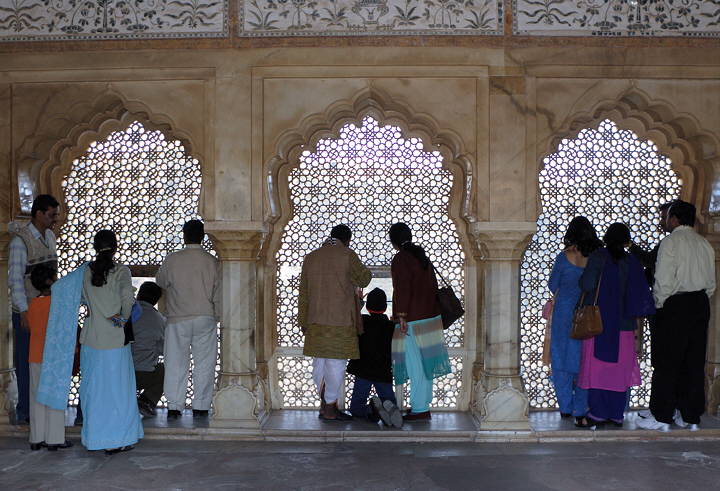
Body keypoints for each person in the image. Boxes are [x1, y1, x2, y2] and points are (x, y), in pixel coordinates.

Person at [638, 201, 716, 432]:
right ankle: (690, 414)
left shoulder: (670, 242)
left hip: (675, 304)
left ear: (674, 219)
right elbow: (711, 283)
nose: (665, 221)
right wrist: (699, 298)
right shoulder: (703, 243)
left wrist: (660, 304)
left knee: (667, 362)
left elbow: (663, 279)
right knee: (693, 361)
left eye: (667, 217)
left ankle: (662, 414)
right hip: (700, 303)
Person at [576, 223, 655, 428]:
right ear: (626, 241)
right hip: (625, 326)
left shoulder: (597, 258)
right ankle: (616, 413)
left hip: (598, 324)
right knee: (619, 370)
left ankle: (598, 413)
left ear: (606, 239)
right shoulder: (632, 262)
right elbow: (641, 295)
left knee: (598, 369)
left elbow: (586, 285)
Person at [299, 224, 372, 421]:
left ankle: (326, 404)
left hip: (314, 320)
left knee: (319, 364)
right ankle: (330, 407)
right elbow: (364, 279)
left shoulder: (311, 257)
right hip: (340, 321)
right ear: (347, 240)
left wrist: (302, 320)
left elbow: (303, 293)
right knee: (336, 365)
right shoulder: (347, 255)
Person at [79, 230, 143, 454]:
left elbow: (74, 296)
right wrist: (121, 320)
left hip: (91, 339)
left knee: (94, 391)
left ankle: (95, 439)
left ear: (95, 247)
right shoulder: (121, 271)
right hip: (115, 340)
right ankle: (119, 439)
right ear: (115, 247)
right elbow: (127, 298)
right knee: (119, 390)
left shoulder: (84, 272)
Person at [156, 219, 221, 419]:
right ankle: (201, 406)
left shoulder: (173, 259)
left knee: (175, 363)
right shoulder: (211, 261)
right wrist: (217, 316)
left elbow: (160, 281)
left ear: (184, 235)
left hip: (178, 318)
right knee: (204, 363)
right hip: (205, 317)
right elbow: (219, 291)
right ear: (204, 237)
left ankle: (175, 406)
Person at [389, 222, 451, 421]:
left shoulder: (401, 259)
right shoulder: (421, 257)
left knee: (415, 364)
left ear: (394, 241)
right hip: (431, 318)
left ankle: (420, 409)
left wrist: (402, 316)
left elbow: (403, 289)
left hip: (413, 320)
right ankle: (421, 405)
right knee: (426, 365)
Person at [9, 194, 59, 424]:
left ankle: (43, 410)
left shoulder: (49, 236)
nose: (54, 219)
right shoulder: (20, 242)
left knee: (44, 362)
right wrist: (24, 312)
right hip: (28, 311)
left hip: (47, 309)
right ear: (38, 213)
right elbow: (16, 281)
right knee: (26, 361)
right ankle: (26, 411)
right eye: (51, 215)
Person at [547, 216, 602, 423]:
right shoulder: (597, 257)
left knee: (561, 358)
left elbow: (553, 285)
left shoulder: (564, 257)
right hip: (587, 313)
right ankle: (581, 408)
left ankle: (565, 408)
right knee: (583, 359)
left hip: (564, 313)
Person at [27, 264, 72, 451]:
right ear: (49, 281)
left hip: (35, 354)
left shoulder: (33, 304)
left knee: (36, 397)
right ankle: (54, 439)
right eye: (55, 277)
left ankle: (37, 438)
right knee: (54, 396)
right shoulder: (57, 303)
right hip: (54, 356)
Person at [347, 288, 402, 427]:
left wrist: (358, 300)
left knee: (356, 407)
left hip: (363, 370)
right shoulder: (390, 326)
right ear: (384, 307)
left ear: (368, 306)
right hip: (383, 371)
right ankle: (389, 409)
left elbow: (350, 315)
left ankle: (372, 410)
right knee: (389, 399)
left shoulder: (362, 322)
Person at [131, 282, 166, 417]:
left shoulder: (126, 312)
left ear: (139, 294)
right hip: (144, 374)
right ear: (157, 300)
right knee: (165, 369)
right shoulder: (159, 320)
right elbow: (163, 349)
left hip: (119, 373)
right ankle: (146, 402)